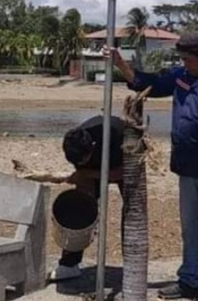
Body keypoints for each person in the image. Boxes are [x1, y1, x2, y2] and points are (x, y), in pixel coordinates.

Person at [104, 31, 198, 301]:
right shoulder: (182, 76)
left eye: (187, 58)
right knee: (190, 228)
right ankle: (190, 280)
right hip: (186, 166)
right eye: (180, 58)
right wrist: (119, 63)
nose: (183, 63)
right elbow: (149, 83)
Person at [49, 114, 126, 282]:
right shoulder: (75, 146)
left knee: (132, 212)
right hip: (92, 169)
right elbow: (82, 170)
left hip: (122, 162)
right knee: (79, 207)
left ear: (92, 146)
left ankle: (133, 261)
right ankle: (69, 264)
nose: (79, 164)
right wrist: (84, 173)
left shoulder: (117, 133)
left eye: (82, 160)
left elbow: (121, 172)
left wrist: (85, 172)